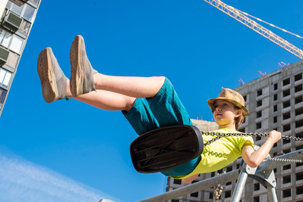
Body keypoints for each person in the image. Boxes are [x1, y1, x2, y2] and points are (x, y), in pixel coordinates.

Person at [37, 35, 282, 184]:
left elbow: (252, 161)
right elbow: (187, 178)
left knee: (163, 87)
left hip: (182, 154)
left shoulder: (243, 137)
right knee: (131, 102)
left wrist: (270, 139)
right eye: (216, 106)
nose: (217, 110)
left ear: (239, 113)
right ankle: (66, 88)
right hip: (170, 161)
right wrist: (198, 170)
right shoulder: (208, 133)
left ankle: (93, 78)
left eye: (224, 106)